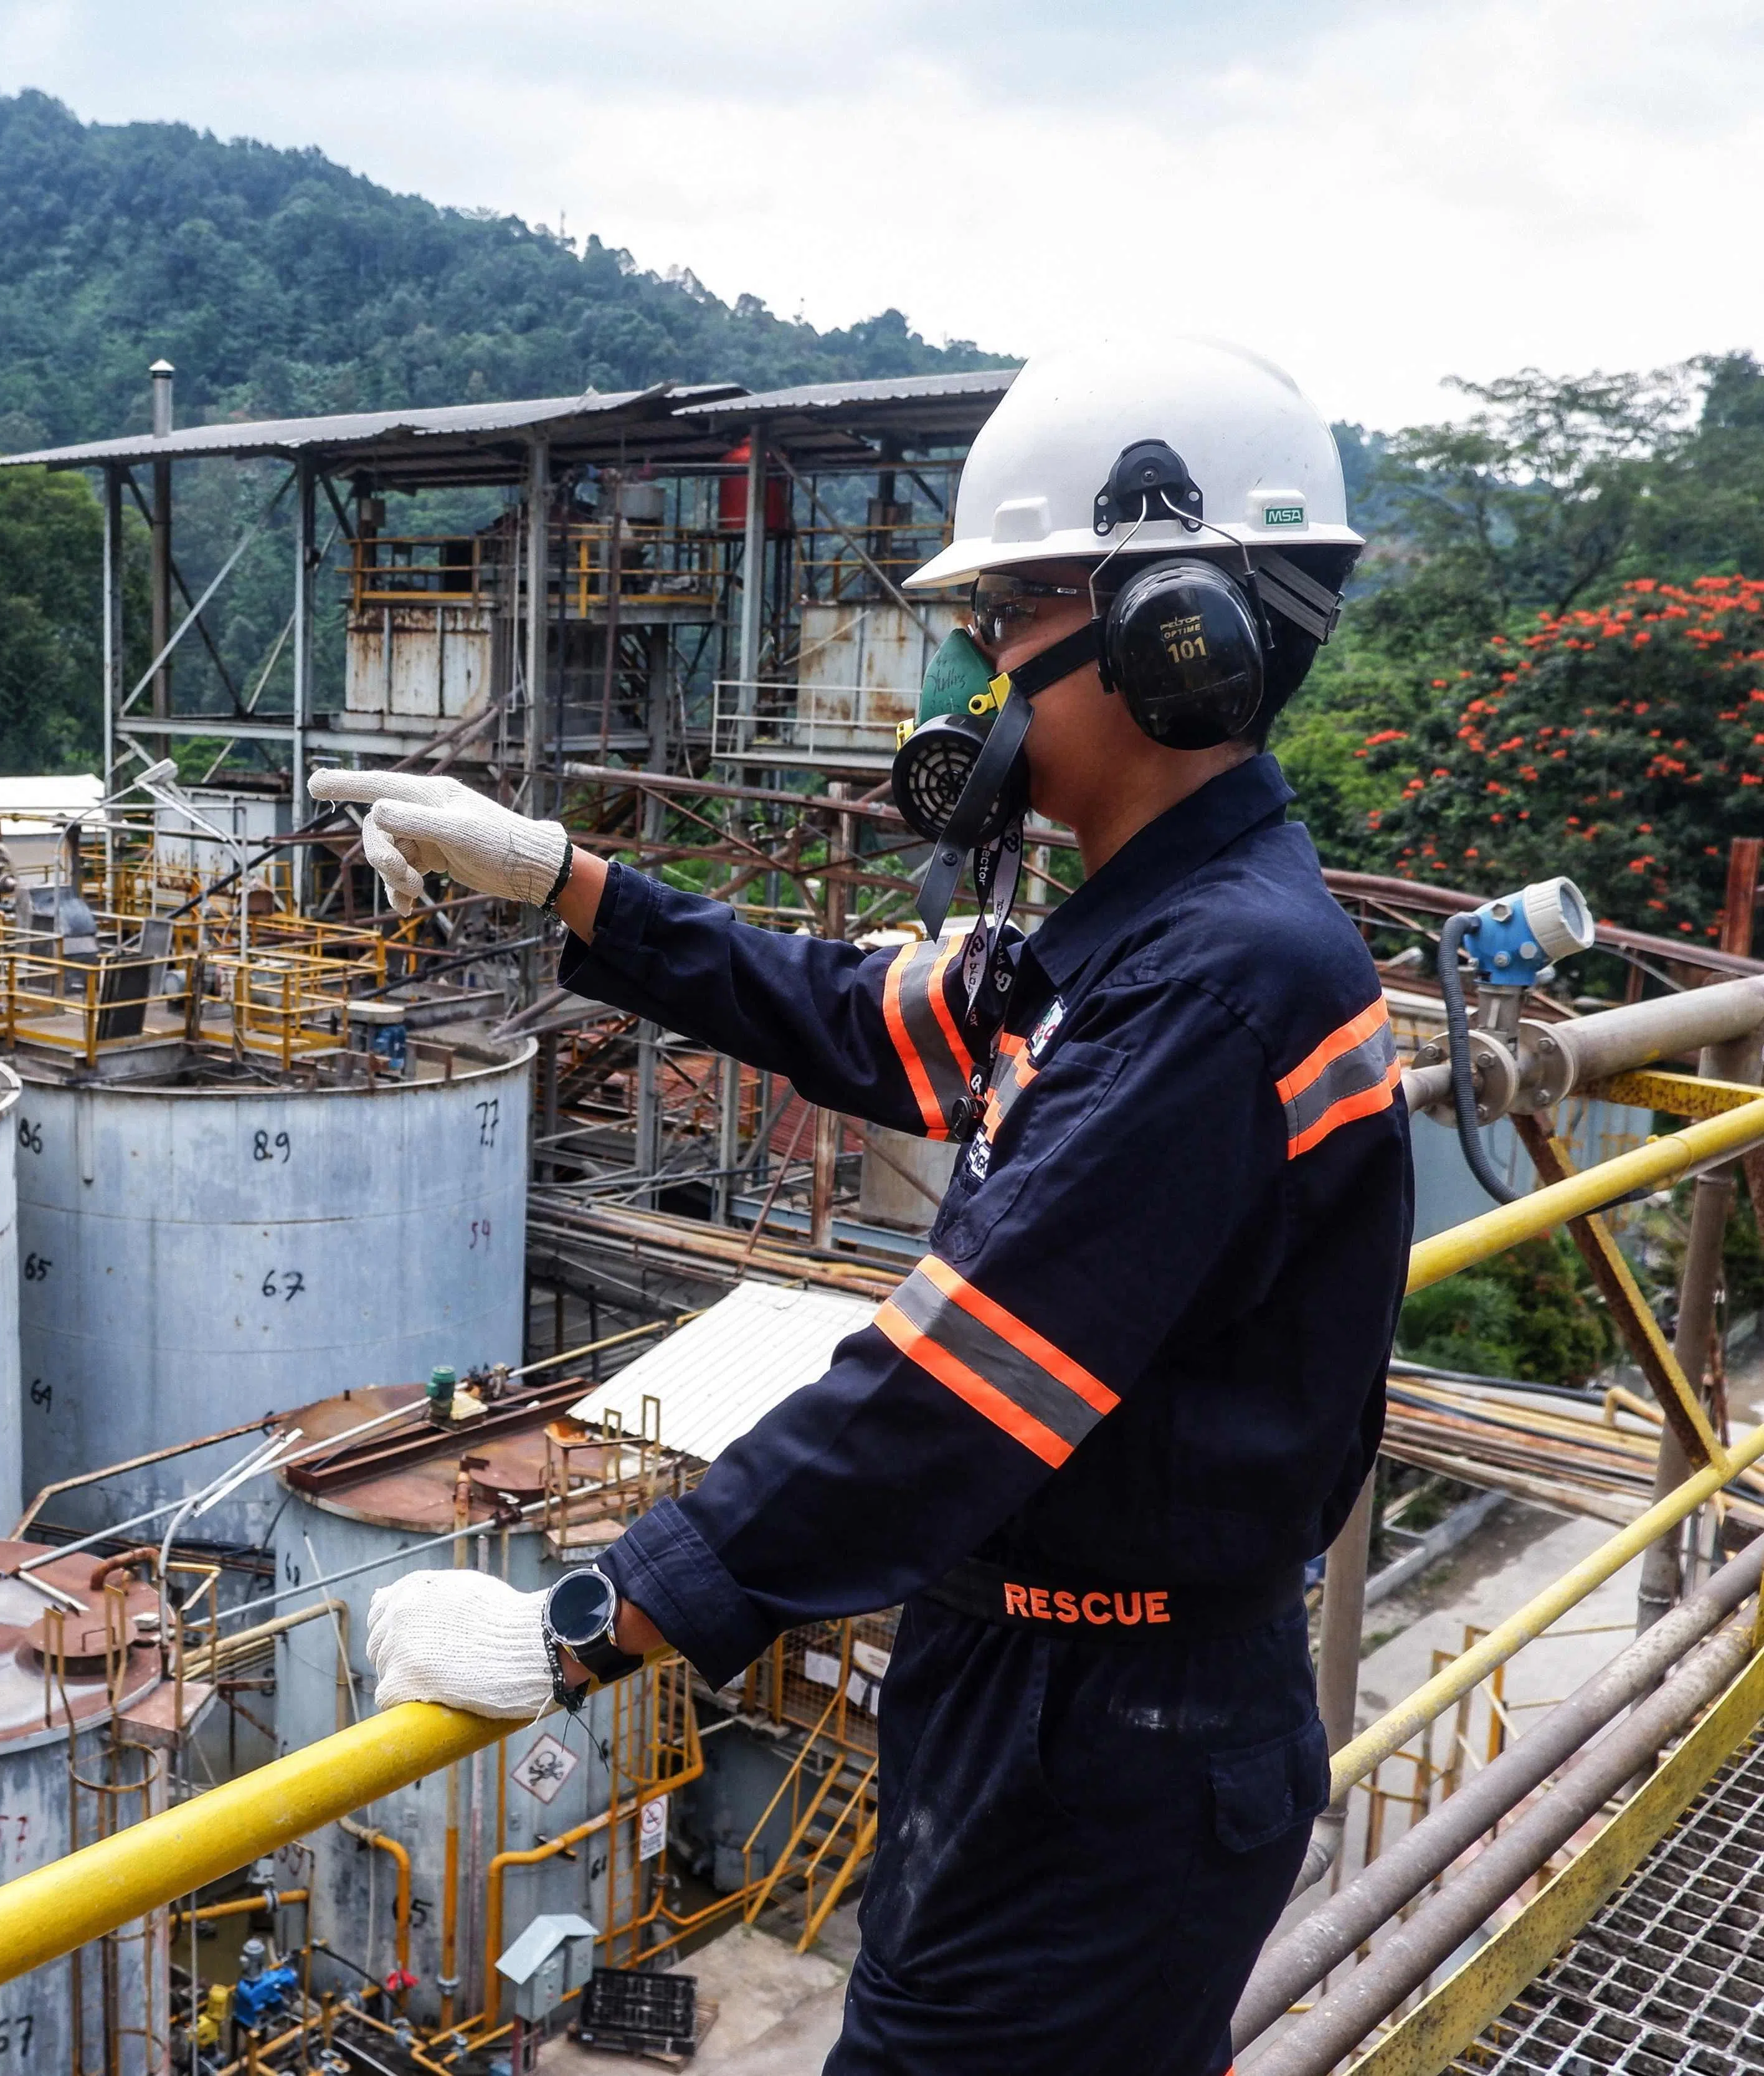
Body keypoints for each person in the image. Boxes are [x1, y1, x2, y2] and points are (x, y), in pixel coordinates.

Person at [312, 336, 1413, 2076]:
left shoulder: (1213, 993)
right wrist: (563, 878)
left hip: (1108, 1747)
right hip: (1056, 1701)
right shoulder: (1132, 940)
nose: (976, 681)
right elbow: (850, 1009)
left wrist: (587, 1622)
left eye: (1003, 629)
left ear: (1160, 632)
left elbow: (950, 1390)